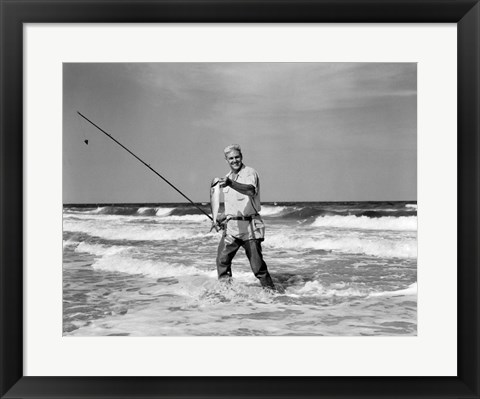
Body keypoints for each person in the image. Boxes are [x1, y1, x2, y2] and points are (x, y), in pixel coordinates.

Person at [213, 144, 276, 290]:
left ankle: (271, 294)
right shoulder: (227, 178)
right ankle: (227, 291)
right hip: (232, 229)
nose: (235, 160)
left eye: (237, 157)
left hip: (250, 228)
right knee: (222, 261)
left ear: (241, 157)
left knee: (257, 267)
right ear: (226, 160)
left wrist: (231, 183)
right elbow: (232, 206)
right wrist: (221, 217)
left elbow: (250, 190)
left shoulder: (249, 173)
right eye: (231, 158)